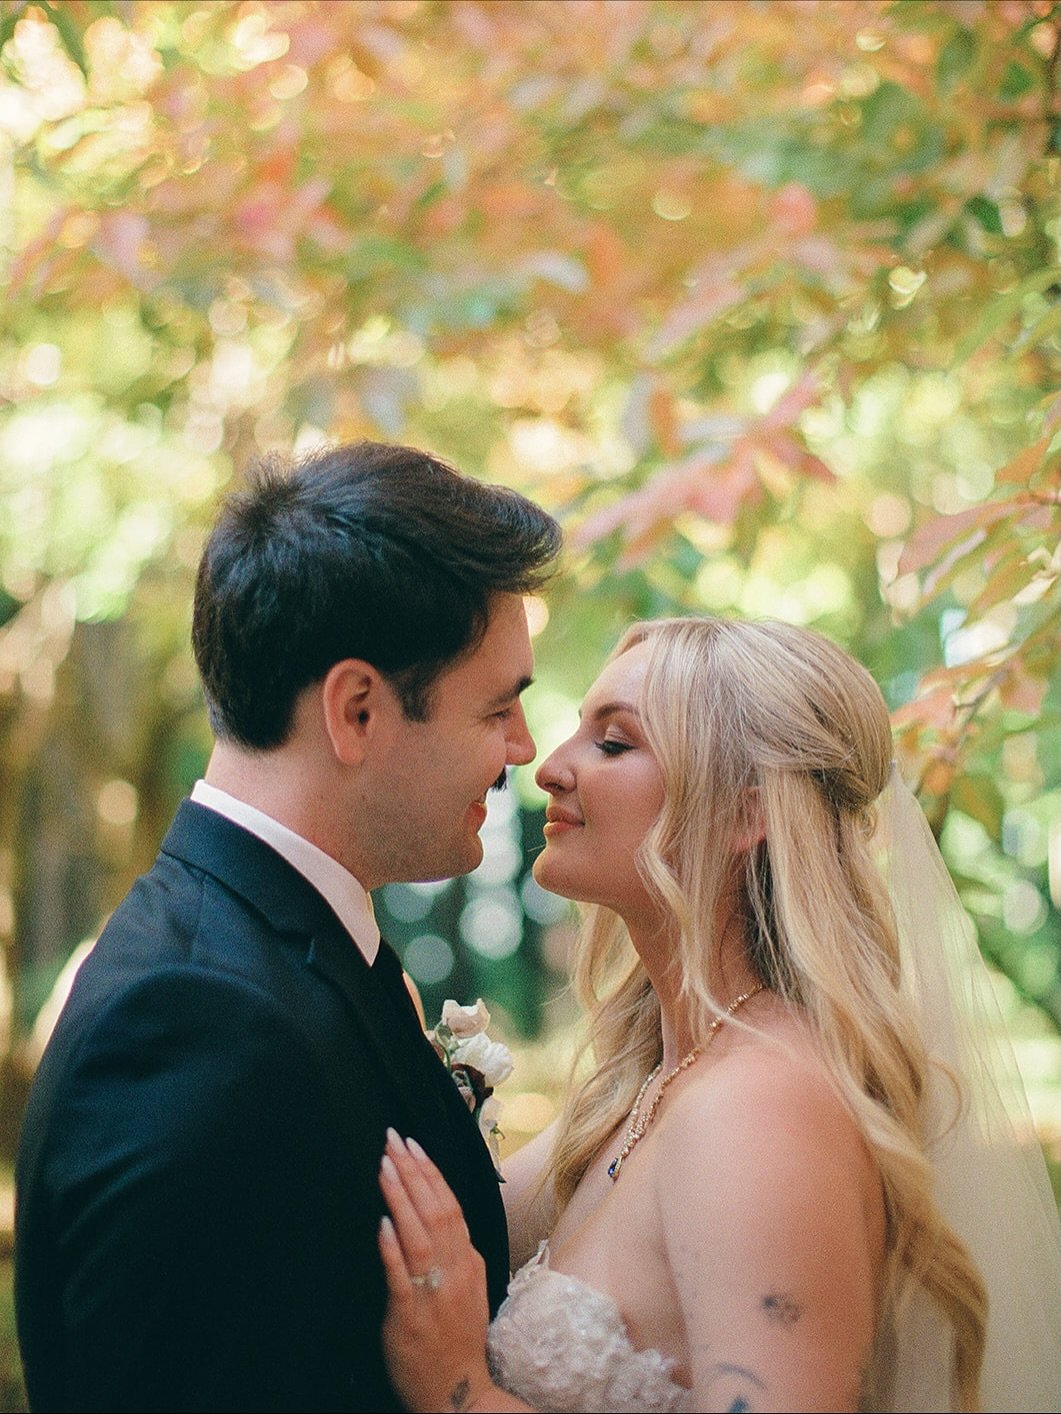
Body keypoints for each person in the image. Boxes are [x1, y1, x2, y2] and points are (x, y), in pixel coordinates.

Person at [375, 616, 1061, 1413]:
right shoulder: (655, 1081)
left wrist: (458, 1389)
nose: (549, 769)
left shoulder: (759, 1107)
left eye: (613, 743)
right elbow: (451, 1233)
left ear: (744, 815)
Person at [13, 440, 562, 1413]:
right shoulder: (194, 1024)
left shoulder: (283, 947)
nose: (522, 750)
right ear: (356, 709)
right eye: (498, 708)